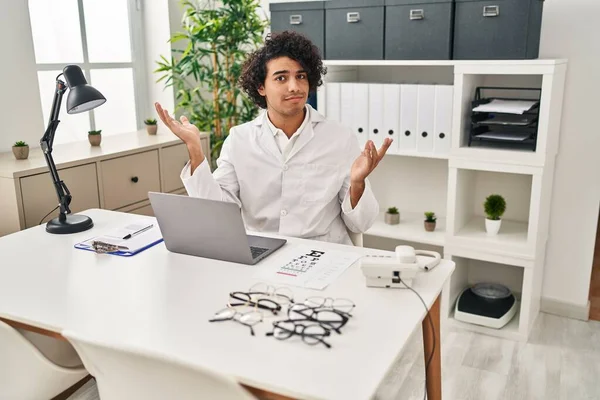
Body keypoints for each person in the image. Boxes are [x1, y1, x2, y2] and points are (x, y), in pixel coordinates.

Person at [155, 31, 392, 245]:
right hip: (261, 251)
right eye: (281, 78)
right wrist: (195, 151)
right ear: (261, 87)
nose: (294, 87)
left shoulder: (339, 137)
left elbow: (362, 224)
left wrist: (358, 184)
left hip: (323, 252)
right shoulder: (240, 139)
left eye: (301, 76)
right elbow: (216, 213)